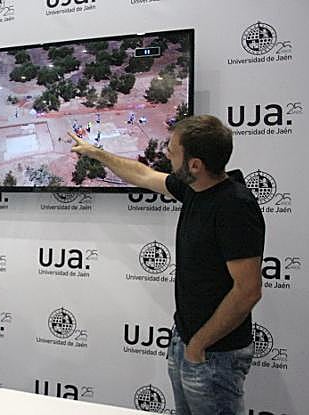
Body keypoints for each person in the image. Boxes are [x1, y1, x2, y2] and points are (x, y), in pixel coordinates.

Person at [70, 114, 265, 415]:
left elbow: (248, 290)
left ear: (195, 165)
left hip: (214, 355)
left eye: (173, 151)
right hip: (189, 343)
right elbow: (143, 175)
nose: (167, 155)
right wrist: (97, 153)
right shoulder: (195, 189)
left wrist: (199, 344)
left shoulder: (234, 206)